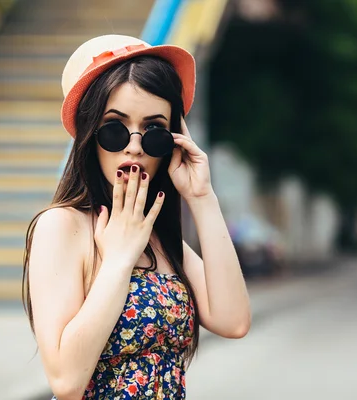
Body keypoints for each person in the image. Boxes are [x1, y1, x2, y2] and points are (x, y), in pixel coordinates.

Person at [22, 34, 251, 400]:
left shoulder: (153, 233)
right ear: (88, 133)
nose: (133, 145)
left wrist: (202, 197)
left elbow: (234, 321)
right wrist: (119, 259)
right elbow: (65, 381)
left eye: (154, 131)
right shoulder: (62, 226)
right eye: (115, 128)